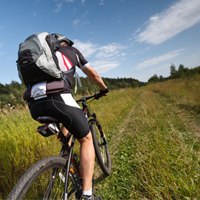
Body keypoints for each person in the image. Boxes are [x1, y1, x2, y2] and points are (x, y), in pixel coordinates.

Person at [23, 33, 109, 200]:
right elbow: (93, 75)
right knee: (86, 139)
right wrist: (104, 89)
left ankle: (65, 163)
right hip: (59, 99)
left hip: (34, 105)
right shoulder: (71, 51)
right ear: (64, 43)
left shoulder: (41, 59)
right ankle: (87, 195)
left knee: (66, 128)